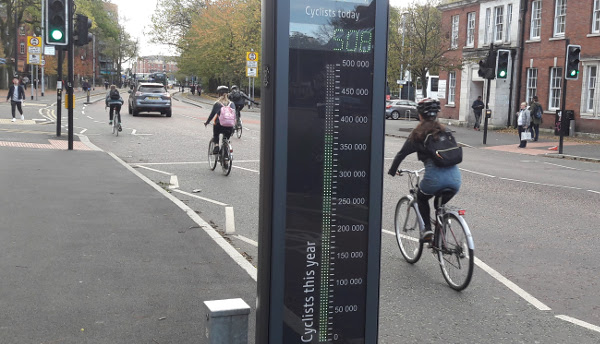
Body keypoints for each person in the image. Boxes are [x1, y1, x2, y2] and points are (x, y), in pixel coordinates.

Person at [387, 99, 462, 242]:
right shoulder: (446, 130)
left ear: (420, 115)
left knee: (421, 198)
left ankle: (427, 229)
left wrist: (392, 171)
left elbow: (401, 154)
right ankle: (441, 239)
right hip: (455, 178)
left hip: (434, 178)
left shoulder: (418, 134)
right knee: (439, 206)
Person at [204, 86, 234, 154]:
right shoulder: (232, 104)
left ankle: (216, 146)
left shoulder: (217, 103)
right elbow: (234, 115)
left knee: (216, 134)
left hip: (219, 125)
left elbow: (212, 115)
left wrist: (207, 122)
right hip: (230, 126)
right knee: (226, 139)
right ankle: (225, 153)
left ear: (219, 94)